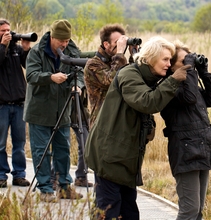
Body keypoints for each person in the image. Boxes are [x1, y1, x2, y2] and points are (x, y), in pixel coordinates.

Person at [84, 36, 190, 220]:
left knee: (129, 213)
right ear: (150, 58)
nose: (168, 64)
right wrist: (173, 80)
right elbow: (146, 102)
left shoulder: (147, 78)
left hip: (124, 159)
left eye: (170, 60)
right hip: (110, 156)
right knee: (107, 212)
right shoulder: (129, 74)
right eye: (165, 59)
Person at [160, 40, 211, 220]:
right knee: (189, 209)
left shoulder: (191, 84)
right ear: (172, 66)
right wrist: (190, 71)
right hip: (185, 150)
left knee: (198, 209)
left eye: (190, 62)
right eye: (183, 62)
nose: (189, 66)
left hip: (202, 146)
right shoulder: (168, 86)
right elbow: (188, 98)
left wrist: (204, 73)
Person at [23, 19, 85, 202]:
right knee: (41, 151)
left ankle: (65, 187)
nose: (64, 45)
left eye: (67, 41)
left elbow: (80, 72)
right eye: (61, 41)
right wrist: (50, 77)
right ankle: (45, 189)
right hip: (39, 111)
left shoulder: (72, 51)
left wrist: (78, 86)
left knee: (63, 150)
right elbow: (31, 75)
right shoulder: (36, 52)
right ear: (52, 36)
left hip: (62, 110)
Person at [84, 24, 139, 128]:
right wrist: (119, 54)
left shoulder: (118, 62)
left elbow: (134, 80)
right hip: (102, 124)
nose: (120, 45)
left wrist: (134, 55)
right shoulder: (93, 64)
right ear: (106, 44)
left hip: (120, 121)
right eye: (116, 42)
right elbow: (111, 81)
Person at [0, 18, 31, 188]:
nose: (7, 33)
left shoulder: (15, 49)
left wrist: (26, 50)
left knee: (19, 143)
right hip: (2, 104)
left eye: (8, 30)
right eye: (3, 31)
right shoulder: (3, 48)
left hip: (19, 103)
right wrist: (2, 46)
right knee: (0, 143)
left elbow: (28, 66)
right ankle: (1, 175)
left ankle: (19, 175)